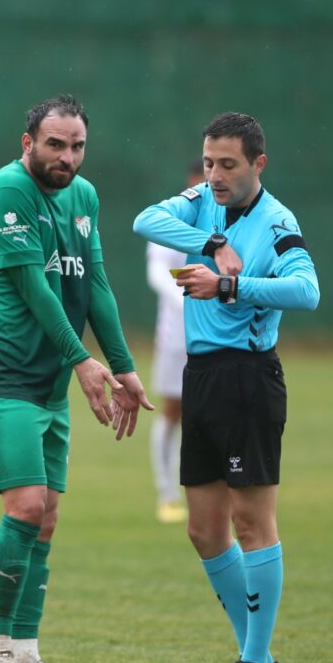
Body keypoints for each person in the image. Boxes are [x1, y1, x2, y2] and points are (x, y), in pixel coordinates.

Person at [0, 95, 153, 663]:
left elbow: (93, 285)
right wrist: (81, 359)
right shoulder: (7, 190)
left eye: (77, 146)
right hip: (2, 377)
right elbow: (35, 288)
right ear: (28, 143)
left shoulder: (84, 197)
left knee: (46, 520)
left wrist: (123, 368)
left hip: (46, 386)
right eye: (55, 144)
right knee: (25, 508)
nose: (67, 157)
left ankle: (29, 656)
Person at [134, 112, 319, 663]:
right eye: (209, 162)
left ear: (258, 164)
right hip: (202, 377)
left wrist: (231, 285)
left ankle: (254, 661)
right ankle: (255, 660)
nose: (214, 174)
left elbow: (307, 290)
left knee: (251, 523)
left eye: (228, 165)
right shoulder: (203, 203)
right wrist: (211, 242)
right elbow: (145, 219)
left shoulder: (278, 222)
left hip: (248, 378)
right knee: (204, 528)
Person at [145, 158, 205, 524]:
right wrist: (184, 297)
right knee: (172, 412)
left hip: (219, 339)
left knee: (208, 416)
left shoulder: (235, 220)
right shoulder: (173, 221)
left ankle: (202, 493)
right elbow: (156, 272)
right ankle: (167, 493)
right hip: (176, 338)